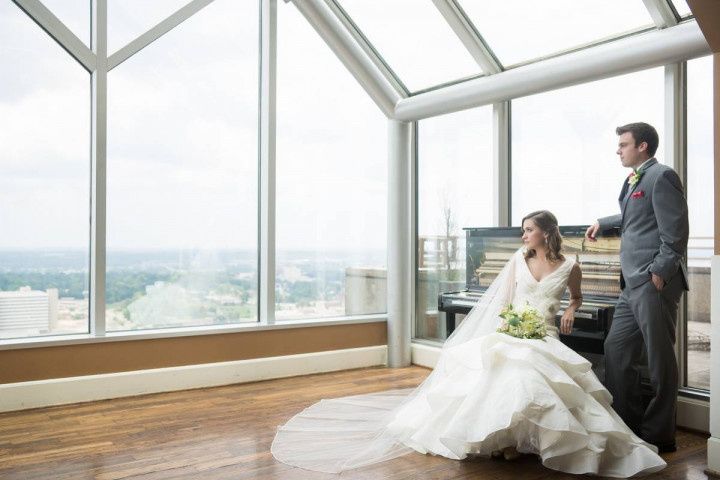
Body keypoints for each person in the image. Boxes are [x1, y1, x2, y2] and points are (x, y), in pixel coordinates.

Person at [272, 210, 666, 477]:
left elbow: (576, 297)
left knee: (530, 371)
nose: (523, 235)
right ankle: (502, 439)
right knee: (508, 366)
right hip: (515, 330)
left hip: (544, 332)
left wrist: (570, 310)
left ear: (546, 231)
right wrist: (508, 327)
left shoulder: (571, 264)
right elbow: (506, 300)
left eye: (528, 229)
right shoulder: (516, 258)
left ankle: (518, 441)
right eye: (522, 231)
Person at [586, 122, 689, 453]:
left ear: (643, 146)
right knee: (616, 350)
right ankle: (628, 424)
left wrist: (659, 271)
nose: (618, 150)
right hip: (631, 285)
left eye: (624, 144)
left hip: (652, 281)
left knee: (660, 360)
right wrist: (604, 221)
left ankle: (659, 434)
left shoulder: (663, 176)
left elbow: (675, 232)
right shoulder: (633, 181)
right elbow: (634, 219)